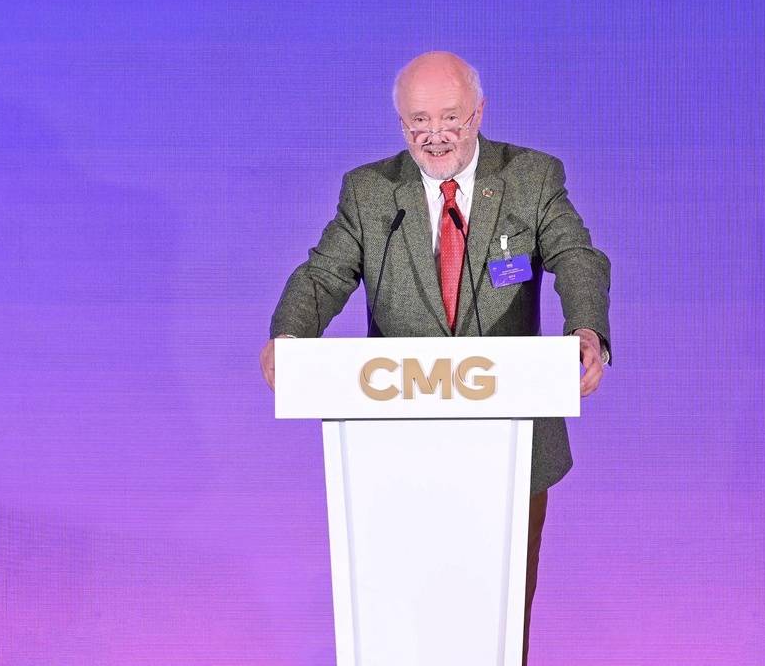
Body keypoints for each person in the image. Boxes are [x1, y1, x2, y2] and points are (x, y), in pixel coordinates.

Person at [260, 50, 611, 663]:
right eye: (419, 121)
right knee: (403, 609)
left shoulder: (531, 178)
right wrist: (288, 335)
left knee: (499, 612)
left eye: (450, 118)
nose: (435, 135)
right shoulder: (370, 191)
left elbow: (577, 256)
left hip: (511, 438)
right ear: (401, 124)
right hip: (394, 448)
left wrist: (586, 330)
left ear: (479, 113)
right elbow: (324, 274)